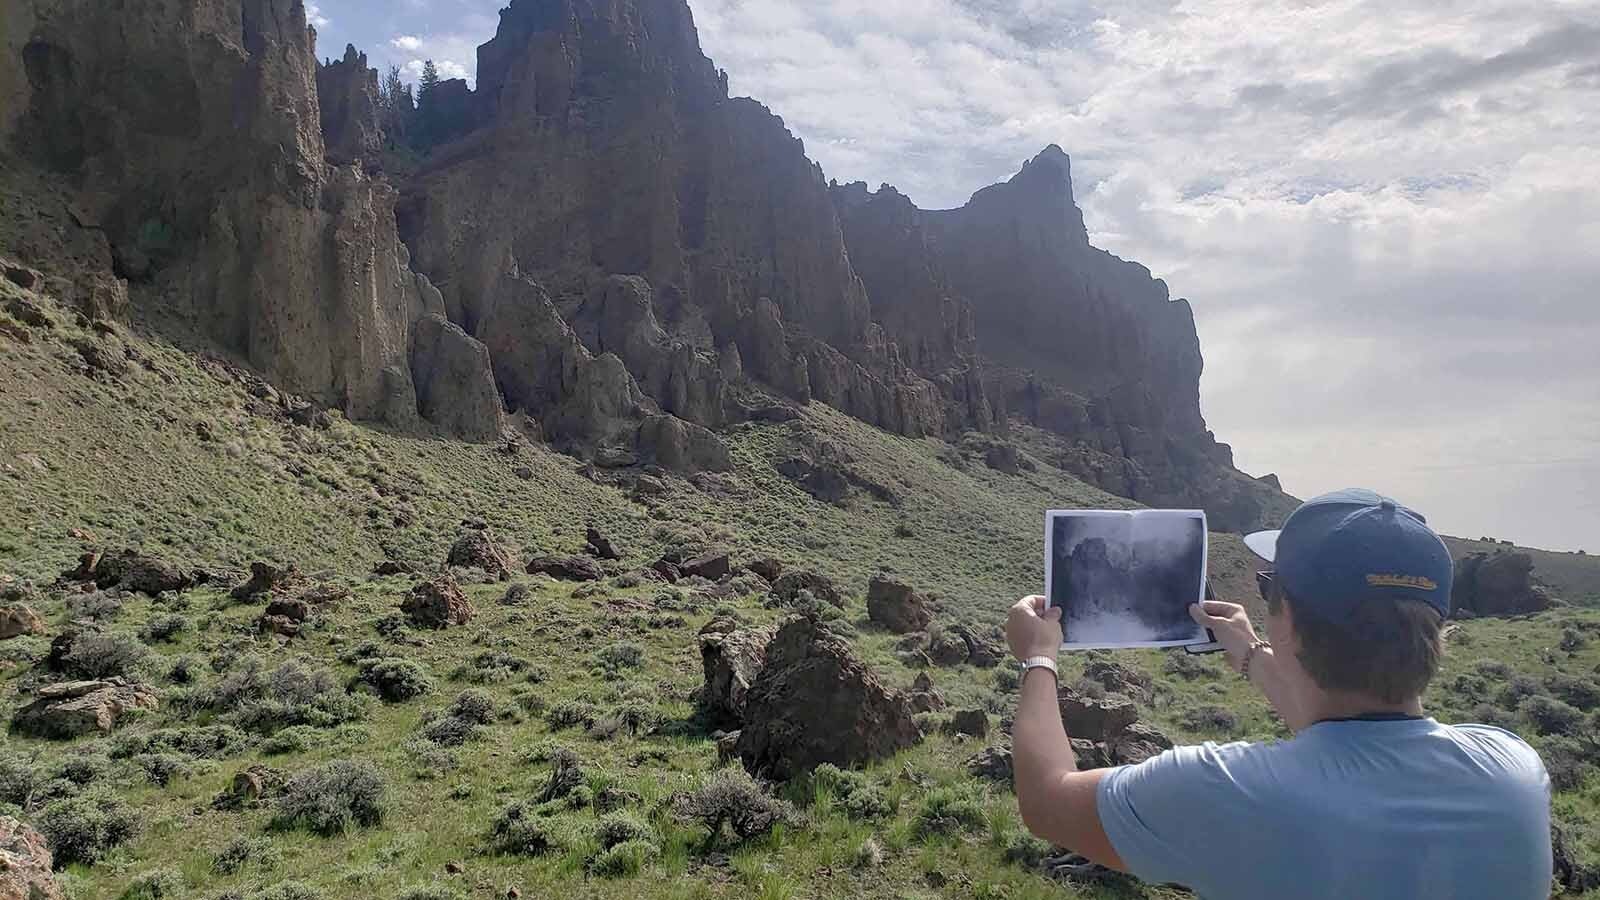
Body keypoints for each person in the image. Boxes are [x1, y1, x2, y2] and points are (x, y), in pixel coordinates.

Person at [1006, 488, 1552, 899]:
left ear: (1286, 619)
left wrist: (1039, 658)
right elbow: (1345, 733)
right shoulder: (1513, 772)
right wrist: (1249, 652)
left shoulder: (1223, 791)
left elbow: (1047, 801)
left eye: (1270, 588)